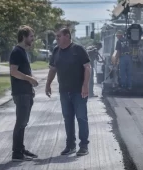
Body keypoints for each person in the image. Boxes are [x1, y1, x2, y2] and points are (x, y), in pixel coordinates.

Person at [45, 28, 91, 156]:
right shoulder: (56, 51)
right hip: (64, 92)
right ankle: (70, 146)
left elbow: (87, 67)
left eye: (58, 36)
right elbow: (53, 69)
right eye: (56, 36)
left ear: (67, 36)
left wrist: (85, 86)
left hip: (79, 91)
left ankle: (84, 146)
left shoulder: (78, 49)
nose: (56, 38)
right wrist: (48, 84)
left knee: (81, 118)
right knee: (68, 119)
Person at [9, 25, 39, 161]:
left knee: (23, 122)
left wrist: (30, 87)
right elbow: (13, 71)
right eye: (31, 36)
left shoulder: (23, 52)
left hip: (26, 92)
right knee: (20, 122)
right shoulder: (16, 52)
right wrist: (30, 79)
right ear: (24, 37)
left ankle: (20, 149)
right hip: (20, 93)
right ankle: (17, 153)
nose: (33, 39)